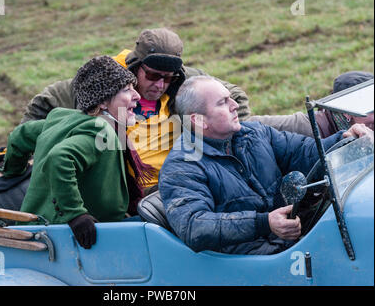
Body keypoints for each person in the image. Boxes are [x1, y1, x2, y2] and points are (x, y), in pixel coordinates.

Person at [158, 76, 373, 255]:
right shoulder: (183, 166)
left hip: (291, 242)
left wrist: (343, 138)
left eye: (231, 98)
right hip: (248, 260)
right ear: (199, 120)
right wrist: (264, 223)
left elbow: (304, 151)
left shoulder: (255, 133)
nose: (235, 106)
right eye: (223, 102)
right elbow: (194, 226)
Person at [20, 28, 251, 190]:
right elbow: (46, 101)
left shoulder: (182, 79)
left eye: (168, 78)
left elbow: (235, 97)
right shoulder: (106, 78)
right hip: (117, 184)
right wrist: (23, 152)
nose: (160, 85)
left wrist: (228, 141)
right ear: (135, 66)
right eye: (152, 75)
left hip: (175, 177)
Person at [1, 56, 152, 249]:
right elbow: (59, 158)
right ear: (103, 102)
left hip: (40, 226)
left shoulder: (63, 119)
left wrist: (13, 170)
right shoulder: (101, 130)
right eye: (126, 90)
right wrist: (76, 215)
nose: (137, 96)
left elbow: (20, 135)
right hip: (62, 236)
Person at [248, 71, 374, 137]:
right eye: (371, 110)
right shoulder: (307, 127)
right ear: (346, 112)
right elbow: (251, 124)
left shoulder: (364, 125)